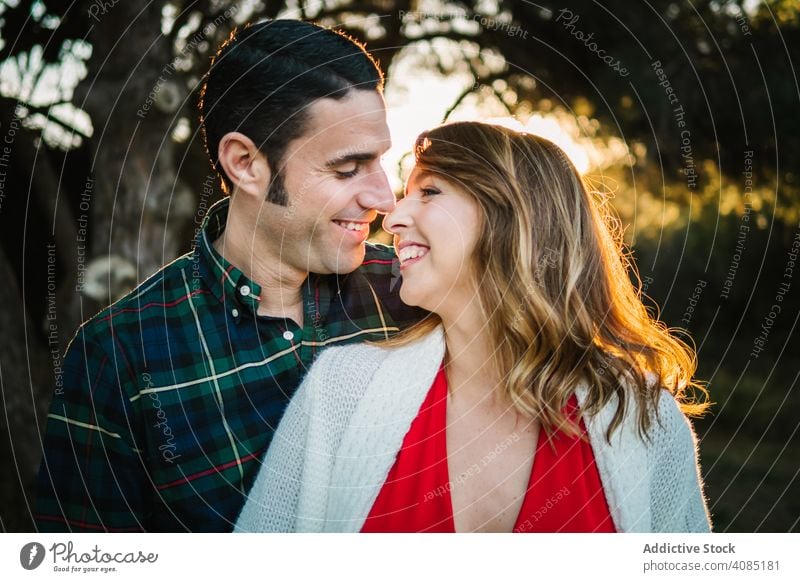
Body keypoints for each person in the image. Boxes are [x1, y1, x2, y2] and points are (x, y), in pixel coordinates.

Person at [35, 19, 424, 532]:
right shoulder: (120, 354)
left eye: (380, 162)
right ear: (245, 164)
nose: (382, 199)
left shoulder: (414, 292)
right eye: (348, 169)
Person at [234, 121, 712, 533]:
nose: (393, 217)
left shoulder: (643, 418)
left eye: (429, 191)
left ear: (514, 218)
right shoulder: (341, 391)